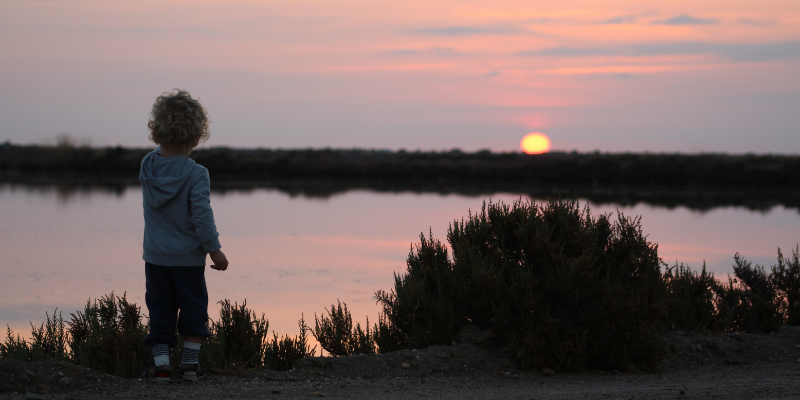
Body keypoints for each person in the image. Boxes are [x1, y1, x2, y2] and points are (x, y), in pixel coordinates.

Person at [138, 89, 229, 383]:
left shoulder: (148, 167)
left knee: (159, 309)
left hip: (155, 258)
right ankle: (190, 366)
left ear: (156, 133)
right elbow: (202, 216)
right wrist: (214, 250)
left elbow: (157, 153)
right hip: (188, 260)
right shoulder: (196, 173)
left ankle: (161, 366)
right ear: (195, 138)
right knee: (193, 309)